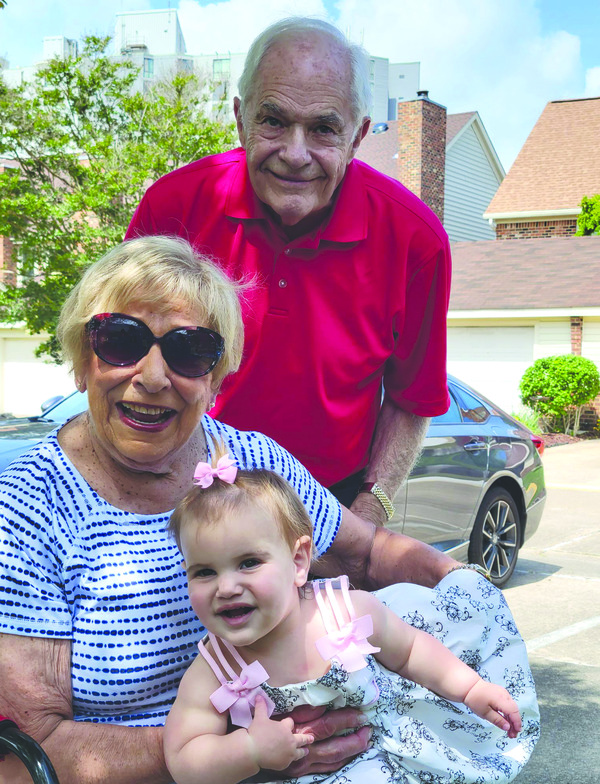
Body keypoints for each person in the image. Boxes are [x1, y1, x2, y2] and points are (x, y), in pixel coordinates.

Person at [0, 235, 467, 784]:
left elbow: (365, 552)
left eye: (189, 351)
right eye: (120, 341)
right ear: (81, 360)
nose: (151, 376)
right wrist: (241, 750)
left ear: (217, 377)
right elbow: (26, 760)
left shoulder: (253, 464)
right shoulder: (25, 507)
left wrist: (468, 592)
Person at [126, 17, 452, 525]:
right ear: (240, 119)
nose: (295, 154)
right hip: (180, 491)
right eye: (273, 121)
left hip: (328, 506)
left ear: (358, 136)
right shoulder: (174, 207)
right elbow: (123, 360)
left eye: (323, 129)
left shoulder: (416, 241)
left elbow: (411, 401)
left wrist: (368, 514)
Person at [163, 455, 537, 784]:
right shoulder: (216, 669)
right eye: (205, 572)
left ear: (298, 562)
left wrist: (469, 688)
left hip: (382, 769)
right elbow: (183, 758)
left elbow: (410, 650)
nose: (226, 587)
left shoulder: (343, 612)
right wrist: (248, 750)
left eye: (248, 563)